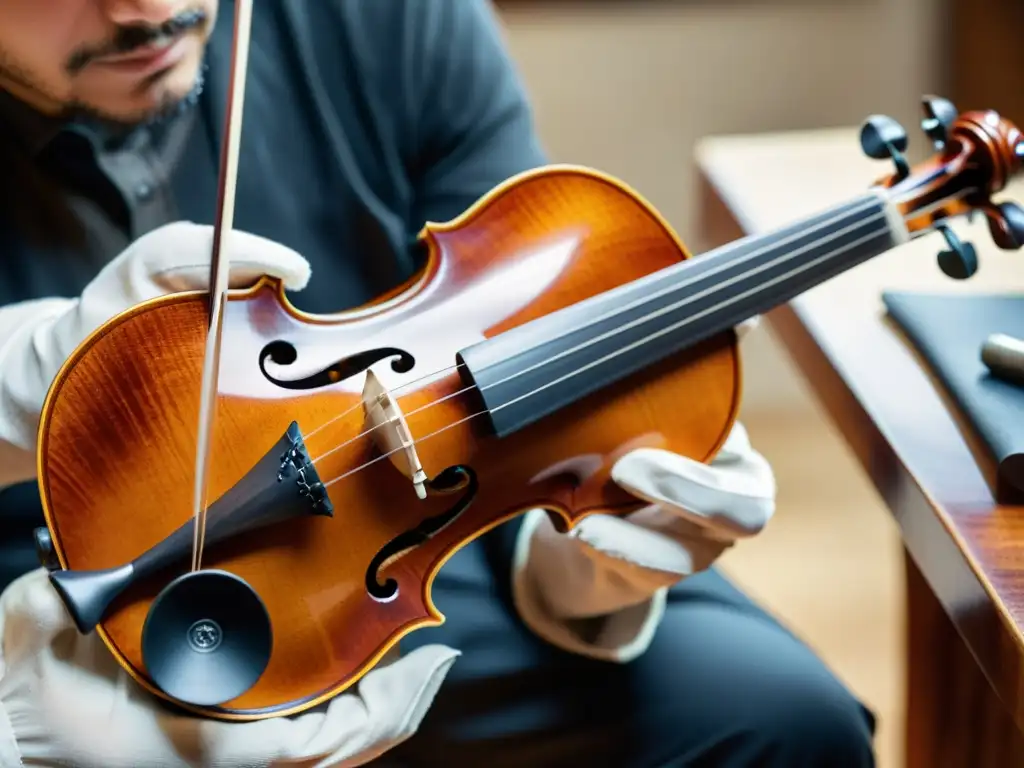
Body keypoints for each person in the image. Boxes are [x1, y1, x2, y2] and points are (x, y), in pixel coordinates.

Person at [0, 1, 877, 765]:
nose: (146, 7)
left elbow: (528, 306)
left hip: (406, 540)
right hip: (42, 628)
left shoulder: (393, 11)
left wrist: (576, 577)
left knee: (783, 720)